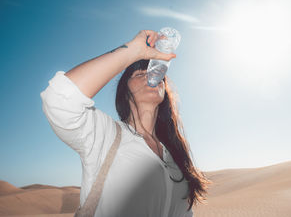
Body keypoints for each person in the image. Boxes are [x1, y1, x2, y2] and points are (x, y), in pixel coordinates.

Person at [40, 30, 212, 216]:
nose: (150, 76)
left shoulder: (174, 158)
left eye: (156, 72)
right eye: (139, 73)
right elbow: (59, 99)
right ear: (124, 92)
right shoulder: (105, 135)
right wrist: (132, 51)